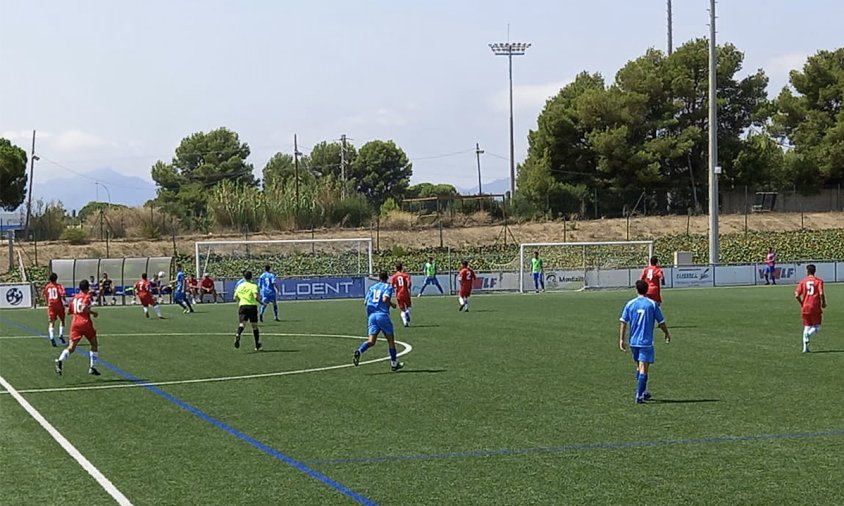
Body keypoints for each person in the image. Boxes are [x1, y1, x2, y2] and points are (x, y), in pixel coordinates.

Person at [619, 280, 672, 404]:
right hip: (645, 342)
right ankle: (639, 395)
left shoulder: (630, 304)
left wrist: (621, 339)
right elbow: (661, 322)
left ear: (636, 289)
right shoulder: (652, 305)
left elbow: (623, 322)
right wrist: (666, 333)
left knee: (639, 367)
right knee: (643, 368)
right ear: (647, 289)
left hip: (634, 342)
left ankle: (643, 391)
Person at [353, 271, 403, 371]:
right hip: (382, 315)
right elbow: (385, 299)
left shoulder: (372, 288)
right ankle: (394, 364)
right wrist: (392, 304)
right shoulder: (387, 287)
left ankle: (359, 351)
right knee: (391, 341)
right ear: (387, 277)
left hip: (372, 316)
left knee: (371, 341)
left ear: (379, 277)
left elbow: (365, 302)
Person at [54, 279, 101, 376]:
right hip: (85, 322)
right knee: (94, 344)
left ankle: (60, 360)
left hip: (75, 323)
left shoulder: (75, 297)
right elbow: (83, 308)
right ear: (88, 288)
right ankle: (93, 367)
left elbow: (69, 312)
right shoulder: (87, 296)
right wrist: (93, 312)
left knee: (71, 347)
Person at [795, 264, 827, 353]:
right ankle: (808, 335)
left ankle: (805, 348)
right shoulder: (819, 281)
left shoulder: (803, 281)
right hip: (815, 307)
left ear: (807, 271)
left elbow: (797, 295)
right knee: (817, 327)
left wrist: (802, 303)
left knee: (807, 326)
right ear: (815, 271)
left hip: (805, 307)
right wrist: (823, 303)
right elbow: (821, 293)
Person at [233, 270, 262, 351]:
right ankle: (257, 345)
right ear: (251, 277)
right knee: (254, 326)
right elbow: (256, 296)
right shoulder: (253, 286)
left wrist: (240, 301)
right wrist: (261, 302)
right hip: (252, 306)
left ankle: (238, 334)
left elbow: (235, 297)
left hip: (242, 306)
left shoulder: (240, 286)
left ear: (244, 277)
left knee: (242, 324)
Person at [43, 273, 67, 347]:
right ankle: (61, 334)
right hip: (59, 305)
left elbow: (45, 295)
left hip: (51, 306)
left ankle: (52, 337)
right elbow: (62, 294)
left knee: (52, 322)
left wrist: (47, 302)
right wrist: (65, 301)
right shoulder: (59, 286)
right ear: (56, 279)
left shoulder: (47, 287)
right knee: (62, 320)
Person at [390, 262, 412, 327]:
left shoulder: (394, 276)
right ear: (401, 268)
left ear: (396, 268)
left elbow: (392, 286)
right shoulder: (406, 275)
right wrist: (408, 287)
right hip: (405, 293)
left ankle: (405, 322)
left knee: (402, 309)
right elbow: (409, 284)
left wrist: (394, 287)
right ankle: (407, 312)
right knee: (409, 306)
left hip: (399, 294)